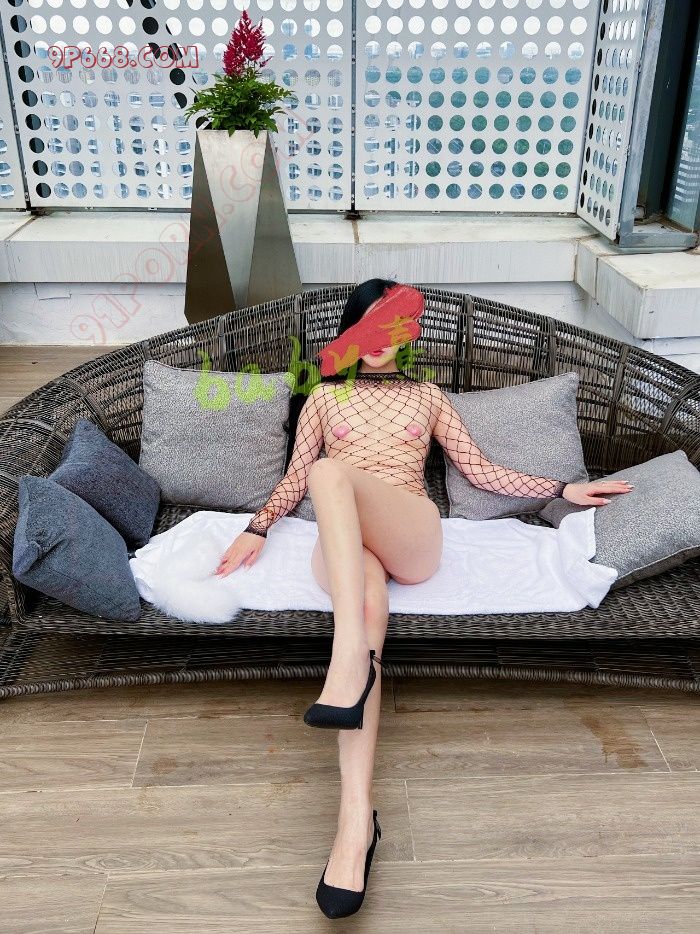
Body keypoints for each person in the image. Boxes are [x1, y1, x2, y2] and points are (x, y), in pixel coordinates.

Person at [214, 278, 633, 918]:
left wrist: (561, 488)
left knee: (331, 472)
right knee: (364, 603)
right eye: (369, 327)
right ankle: (355, 823)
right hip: (344, 548)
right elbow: (295, 480)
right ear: (351, 333)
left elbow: (480, 471)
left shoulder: (427, 396)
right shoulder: (324, 397)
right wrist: (257, 527)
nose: (380, 341)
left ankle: (345, 664)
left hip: (409, 533)